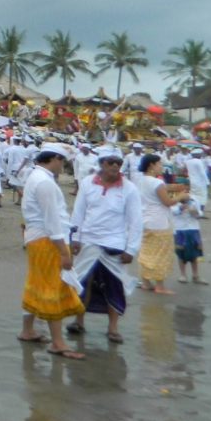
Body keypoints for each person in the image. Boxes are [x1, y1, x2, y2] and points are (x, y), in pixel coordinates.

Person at [66, 147, 142, 344]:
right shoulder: (87, 183)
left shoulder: (129, 188)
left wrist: (131, 248)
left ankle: (113, 328)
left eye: (118, 162)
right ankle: (79, 321)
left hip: (115, 244)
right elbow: (78, 212)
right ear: (101, 164)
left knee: (114, 286)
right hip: (88, 242)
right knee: (82, 283)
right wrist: (74, 238)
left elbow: (136, 221)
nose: (115, 166)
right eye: (111, 162)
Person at [17, 148, 85, 359]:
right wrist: (63, 252)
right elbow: (52, 220)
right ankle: (58, 342)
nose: (62, 165)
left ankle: (28, 330)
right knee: (52, 287)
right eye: (61, 161)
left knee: (37, 283)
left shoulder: (35, 177)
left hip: (38, 238)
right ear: (54, 159)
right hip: (47, 239)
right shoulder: (44, 182)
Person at [137, 153, 183, 294]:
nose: (161, 167)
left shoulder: (141, 180)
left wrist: (171, 187)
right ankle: (160, 285)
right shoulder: (157, 182)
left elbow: (160, 188)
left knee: (147, 252)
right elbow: (167, 202)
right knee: (160, 254)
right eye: (160, 164)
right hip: (159, 222)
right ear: (152, 165)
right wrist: (181, 196)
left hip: (145, 220)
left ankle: (145, 281)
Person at [173, 191, 207, 284]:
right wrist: (180, 208)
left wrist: (195, 212)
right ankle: (183, 275)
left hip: (193, 228)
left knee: (195, 252)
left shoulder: (194, 199)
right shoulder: (174, 199)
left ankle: (196, 275)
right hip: (180, 229)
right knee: (181, 253)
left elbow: (200, 213)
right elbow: (171, 211)